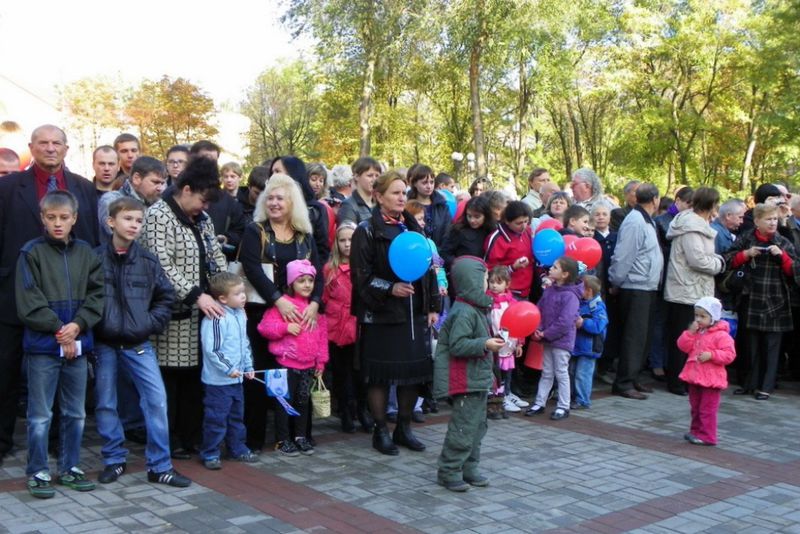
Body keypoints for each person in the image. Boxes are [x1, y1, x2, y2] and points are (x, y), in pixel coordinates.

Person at [0, 125, 99, 465]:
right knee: (7, 370)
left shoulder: (84, 190)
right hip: (15, 295)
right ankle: (3, 440)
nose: (50, 148)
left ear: (67, 149)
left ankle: (60, 444)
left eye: (56, 143)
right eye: (43, 143)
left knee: (64, 368)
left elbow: (91, 244)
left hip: (68, 297)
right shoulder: (8, 187)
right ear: (32, 147)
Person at [93, 197, 191, 487]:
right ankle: (114, 460)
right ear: (111, 222)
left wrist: (148, 324)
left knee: (156, 400)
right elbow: (85, 300)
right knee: (106, 403)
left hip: (138, 343)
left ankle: (159, 466)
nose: (134, 225)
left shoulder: (148, 261)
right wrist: (97, 324)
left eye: (138, 220)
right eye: (128, 219)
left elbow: (166, 297)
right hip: (105, 343)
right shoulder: (94, 260)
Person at [16, 190, 104, 498]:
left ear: (74, 219)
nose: (57, 224)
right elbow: (29, 301)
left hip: (78, 344)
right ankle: (38, 470)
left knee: (75, 412)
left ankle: (70, 467)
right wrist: (60, 330)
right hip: (43, 347)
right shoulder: (31, 253)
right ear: (42, 218)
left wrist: (77, 326)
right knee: (40, 414)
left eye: (64, 218)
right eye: (51, 218)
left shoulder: (86, 253)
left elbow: (97, 296)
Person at [141, 156, 227, 459]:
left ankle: (191, 436)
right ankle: (169, 439)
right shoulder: (158, 216)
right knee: (170, 383)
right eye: (202, 201)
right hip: (171, 317)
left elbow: (216, 258)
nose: (204, 208)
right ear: (186, 189)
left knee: (194, 380)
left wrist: (224, 288)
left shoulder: (202, 220)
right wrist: (195, 295)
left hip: (202, 318)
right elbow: (160, 264)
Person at [350, 171, 441, 456]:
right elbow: (360, 278)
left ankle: (403, 427)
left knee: (411, 373)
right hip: (381, 316)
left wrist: (432, 306)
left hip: (413, 314)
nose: (402, 198)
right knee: (380, 375)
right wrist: (390, 288)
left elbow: (429, 270)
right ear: (378, 196)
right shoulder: (366, 230)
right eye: (395, 193)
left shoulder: (414, 228)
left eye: (404, 193)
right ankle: (380, 430)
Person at [239, 173, 323, 452]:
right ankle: (255, 439)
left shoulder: (304, 235)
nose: (274, 203)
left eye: (280, 198)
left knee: (297, 379)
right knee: (260, 376)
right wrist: (278, 300)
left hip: (300, 318)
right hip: (263, 316)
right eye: (270, 198)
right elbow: (251, 268)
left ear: (292, 203)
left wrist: (315, 303)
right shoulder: (256, 230)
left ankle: (297, 435)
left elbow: (318, 273)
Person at [433, 257, 506, 492]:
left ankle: (469, 466)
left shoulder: (476, 308)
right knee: (463, 427)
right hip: (464, 380)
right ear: (472, 280)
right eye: (484, 278)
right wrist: (485, 343)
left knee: (478, 426)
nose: (487, 283)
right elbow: (458, 345)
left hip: (477, 379)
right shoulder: (464, 312)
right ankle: (449, 469)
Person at [724, 203, 796, 400]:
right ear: (757, 221)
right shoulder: (746, 238)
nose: (773, 223)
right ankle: (749, 384)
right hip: (750, 297)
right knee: (750, 344)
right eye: (768, 219)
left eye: (775, 219)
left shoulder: (783, 242)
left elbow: (795, 272)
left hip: (776, 300)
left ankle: (766, 386)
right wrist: (745, 254)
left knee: (771, 347)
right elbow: (727, 260)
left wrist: (783, 257)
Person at [258, 260, 328, 456]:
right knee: (283, 404)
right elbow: (264, 328)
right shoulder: (283, 307)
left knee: (303, 402)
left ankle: (300, 436)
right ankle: (282, 440)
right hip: (285, 366)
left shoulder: (315, 310)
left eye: (310, 280)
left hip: (308, 366)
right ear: (291, 283)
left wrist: (320, 362)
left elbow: (322, 339)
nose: (307, 285)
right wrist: (285, 328)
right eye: (301, 281)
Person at [664, 187, 725, 395]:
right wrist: (719, 263)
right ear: (710, 205)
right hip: (685, 290)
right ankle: (677, 381)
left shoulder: (701, 225)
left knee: (694, 337)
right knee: (685, 337)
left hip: (695, 289)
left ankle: (688, 378)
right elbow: (696, 259)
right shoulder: (691, 227)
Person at [608, 183, 663, 400]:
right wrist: (616, 281)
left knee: (644, 336)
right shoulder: (635, 221)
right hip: (635, 286)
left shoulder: (646, 220)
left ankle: (635, 376)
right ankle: (624, 382)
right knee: (634, 336)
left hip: (648, 285)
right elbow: (623, 255)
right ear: (655, 199)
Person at [199, 273, 259, 469]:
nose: (244, 296)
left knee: (236, 417)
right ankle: (210, 453)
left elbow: (244, 343)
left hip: (237, 380)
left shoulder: (240, 313)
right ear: (223, 298)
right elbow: (212, 349)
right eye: (238, 293)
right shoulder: (217, 318)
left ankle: (237, 448)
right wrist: (229, 368)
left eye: (243, 292)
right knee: (216, 418)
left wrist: (248, 367)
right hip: (219, 382)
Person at [323, 222, 372, 433]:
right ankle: (345, 410)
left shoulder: (364, 266)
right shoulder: (329, 269)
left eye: (351, 240)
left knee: (361, 372)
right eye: (342, 240)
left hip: (358, 325)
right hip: (336, 327)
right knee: (341, 372)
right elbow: (324, 298)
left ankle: (362, 409)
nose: (346, 244)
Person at [525, 257, 584, 420]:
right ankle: (539, 402)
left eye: (555, 267)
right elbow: (540, 309)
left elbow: (565, 321)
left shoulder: (570, 296)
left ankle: (563, 406)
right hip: (548, 338)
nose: (551, 268)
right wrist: (537, 328)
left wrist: (546, 333)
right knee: (547, 372)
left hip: (561, 341)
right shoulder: (550, 290)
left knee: (561, 372)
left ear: (565, 274)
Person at [676, 297, 736, 446]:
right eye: (696, 315)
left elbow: (730, 355)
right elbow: (683, 347)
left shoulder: (722, 335)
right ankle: (695, 431)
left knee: (707, 410)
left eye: (703, 316)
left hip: (711, 380)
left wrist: (712, 355)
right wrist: (689, 333)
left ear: (713, 317)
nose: (698, 319)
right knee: (695, 408)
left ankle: (708, 436)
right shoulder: (697, 332)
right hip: (694, 376)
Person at [270, 156, 331, 263]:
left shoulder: (315, 210)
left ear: (292, 174)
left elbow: (322, 249)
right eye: (272, 172)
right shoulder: (268, 205)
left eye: (277, 171)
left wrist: (310, 275)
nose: (273, 176)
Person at [486, 266, 527, 414]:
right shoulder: (486, 301)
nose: (494, 285)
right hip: (493, 343)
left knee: (507, 371)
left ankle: (508, 393)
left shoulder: (512, 303)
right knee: (496, 372)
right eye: (491, 282)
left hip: (509, 344)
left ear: (507, 284)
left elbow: (519, 324)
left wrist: (520, 343)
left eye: (499, 282)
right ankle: (499, 396)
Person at [99, 156, 168, 242]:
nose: (160, 188)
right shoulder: (111, 201)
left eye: (163, 183)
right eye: (156, 182)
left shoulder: (158, 203)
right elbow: (122, 242)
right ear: (137, 178)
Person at [571, 275, 608, 409]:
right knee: (573, 372)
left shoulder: (597, 306)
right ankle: (574, 397)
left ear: (589, 291)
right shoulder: (581, 302)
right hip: (577, 346)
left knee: (583, 374)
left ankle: (583, 400)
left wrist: (584, 323)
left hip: (589, 348)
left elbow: (599, 325)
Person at [485, 201, 534, 299]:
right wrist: (512, 267)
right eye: (518, 223)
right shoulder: (497, 239)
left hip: (527, 290)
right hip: (506, 293)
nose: (524, 226)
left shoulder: (527, 231)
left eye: (526, 221)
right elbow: (488, 270)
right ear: (507, 221)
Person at [440, 195, 496, 271]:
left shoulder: (492, 232)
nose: (472, 220)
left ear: (486, 216)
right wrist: (460, 265)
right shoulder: (458, 230)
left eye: (477, 217)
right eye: (469, 216)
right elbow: (445, 253)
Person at [407, 164, 451, 247]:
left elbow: (448, 234)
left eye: (432, 182)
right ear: (414, 183)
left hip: (440, 255)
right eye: (424, 182)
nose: (429, 186)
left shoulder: (442, 206)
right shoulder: (407, 207)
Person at [338, 157, 381, 225]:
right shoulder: (348, 205)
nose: (374, 180)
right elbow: (348, 233)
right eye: (370, 176)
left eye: (377, 176)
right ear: (357, 176)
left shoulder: (379, 204)